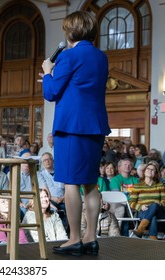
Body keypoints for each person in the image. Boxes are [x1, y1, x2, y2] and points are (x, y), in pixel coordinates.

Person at [40, 11, 110, 256]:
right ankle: (91, 238)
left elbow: (51, 93)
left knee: (71, 182)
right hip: (95, 126)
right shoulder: (101, 57)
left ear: (70, 31)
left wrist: (48, 72)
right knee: (90, 184)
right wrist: (53, 76)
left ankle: (74, 239)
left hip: (71, 127)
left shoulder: (68, 56)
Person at [129, 161, 165, 240]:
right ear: (144, 171)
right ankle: (153, 239)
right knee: (153, 216)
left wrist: (157, 203)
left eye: (153, 170)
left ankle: (140, 229)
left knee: (154, 205)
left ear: (155, 173)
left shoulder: (160, 185)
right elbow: (131, 202)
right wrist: (140, 206)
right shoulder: (138, 186)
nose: (150, 171)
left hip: (159, 210)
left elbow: (164, 201)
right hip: (143, 211)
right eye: (148, 169)